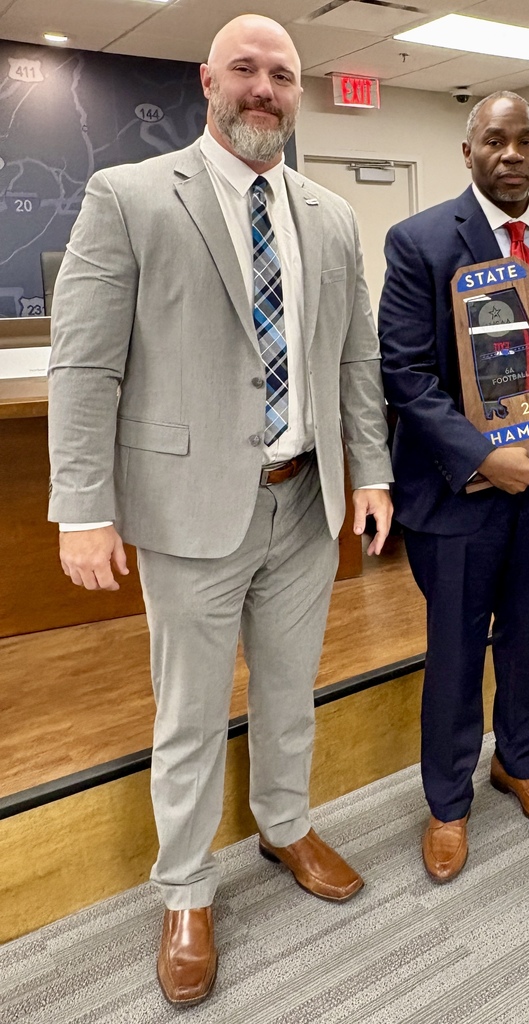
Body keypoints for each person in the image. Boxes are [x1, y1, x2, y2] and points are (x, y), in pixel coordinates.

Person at [47, 15, 393, 1005]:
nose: (264, 88)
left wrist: (369, 473)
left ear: (299, 91)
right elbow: (85, 362)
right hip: (191, 509)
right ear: (207, 79)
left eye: (282, 74)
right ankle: (187, 886)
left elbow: (354, 360)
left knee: (291, 691)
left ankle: (286, 826)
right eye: (246, 68)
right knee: (191, 713)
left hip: (305, 501)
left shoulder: (328, 216)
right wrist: (82, 506)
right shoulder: (128, 196)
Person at [378, 92, 529, 883]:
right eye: (494, 141)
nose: (511, 154)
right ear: (466, 151)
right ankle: (447, 803)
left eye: (525, 141)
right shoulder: (421, 240)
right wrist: (481, 456)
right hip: (458, 494)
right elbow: (402, 371)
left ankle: (523, 763)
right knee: (459, 650)